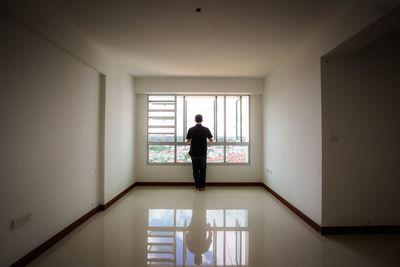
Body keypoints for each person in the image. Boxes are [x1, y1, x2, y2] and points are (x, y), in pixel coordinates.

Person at [186, 114, 213, 191]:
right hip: (202, 152)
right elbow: (210, 139)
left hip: (194, 152)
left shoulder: (191, 129)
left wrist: (192, 141)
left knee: (195, 170)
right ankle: (202, 186)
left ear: (195, 120)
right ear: (202, 120)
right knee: (203, 170)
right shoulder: (206, 129)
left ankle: (197, 186)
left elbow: (188, 140)